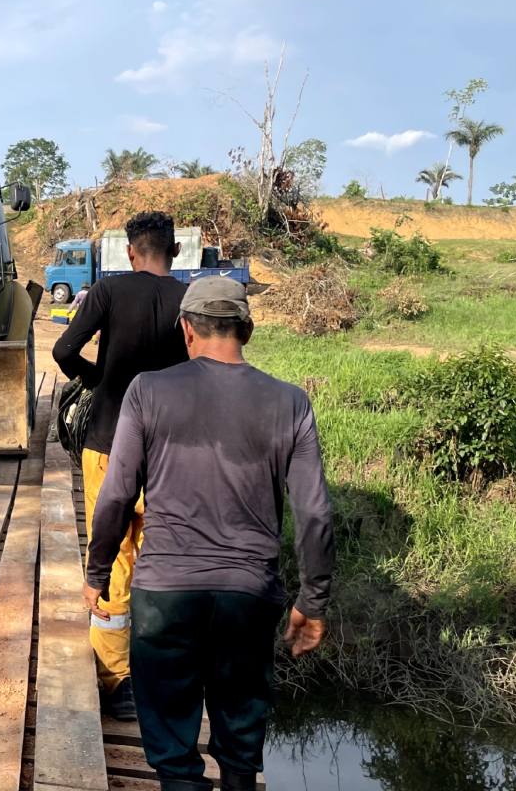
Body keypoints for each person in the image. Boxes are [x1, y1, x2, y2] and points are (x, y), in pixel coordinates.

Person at [82, 276, 335, 791]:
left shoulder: (147, 391)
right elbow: (314, 513)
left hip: (165, 595)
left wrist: (98, 572)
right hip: (248, 595)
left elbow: (116, 494)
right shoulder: (290, 403)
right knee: (241, 748)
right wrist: (313, 600)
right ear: (248, 330)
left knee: (174, 755)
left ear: (186, 329)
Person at [52, 211, 188, 720]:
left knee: (112, 552)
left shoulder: (108, 291)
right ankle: (158, 667)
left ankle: (117, 680)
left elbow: (63, 349)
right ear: (175, 252)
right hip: (168, 451)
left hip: (108, 441)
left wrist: (98, 379)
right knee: (160, 555)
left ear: (131, 253)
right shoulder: (187, 300)